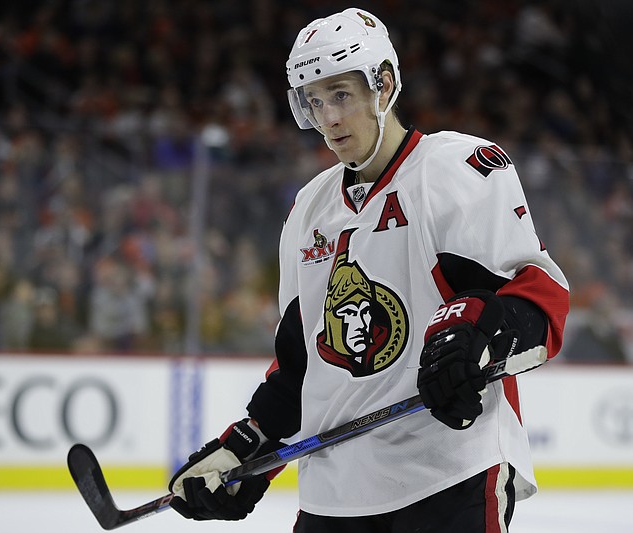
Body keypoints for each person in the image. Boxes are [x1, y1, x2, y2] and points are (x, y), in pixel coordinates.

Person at [168, 8, 570, 532]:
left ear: (383, 86)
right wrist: (247, 444)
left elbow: (539, 299)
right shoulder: (310, 210)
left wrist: (479, 334)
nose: (328, 118)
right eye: (314, 101)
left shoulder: (453, 170)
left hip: (448, 478)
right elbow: (301, 366)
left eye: (340, 95)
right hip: (333, 497)